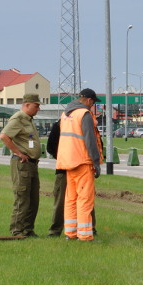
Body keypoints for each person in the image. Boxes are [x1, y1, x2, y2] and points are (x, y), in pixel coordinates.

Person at [56, 88, 103, 241]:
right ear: (89, 100)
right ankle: (84, 235)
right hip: (82, 162)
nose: (93, 106)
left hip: (68, 162)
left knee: (70, 199)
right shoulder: (84, 115)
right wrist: (96, 162)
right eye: (93, 102)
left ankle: (70, 233)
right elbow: (90, 141)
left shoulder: (65, 114)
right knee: (85, 199)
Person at [46, 118, 99, 238]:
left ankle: (87, 228)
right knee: (63, 201)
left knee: (85, 200)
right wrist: (66, 160)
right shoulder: (60, 125)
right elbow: (51, 147)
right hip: (67, 170)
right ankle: (56, 230)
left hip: (79, 167)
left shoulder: (86, 123)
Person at [0, 93, 42, 238]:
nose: (38, 109)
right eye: (36, 106)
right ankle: (16, 230)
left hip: (32, 164)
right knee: (22, 197)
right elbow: (4, 136)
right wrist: (18, 152)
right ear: (27, 104)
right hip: (22, 164)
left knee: (33, 199)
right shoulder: (18, 118)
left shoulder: (29, 120)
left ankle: (28, 229)